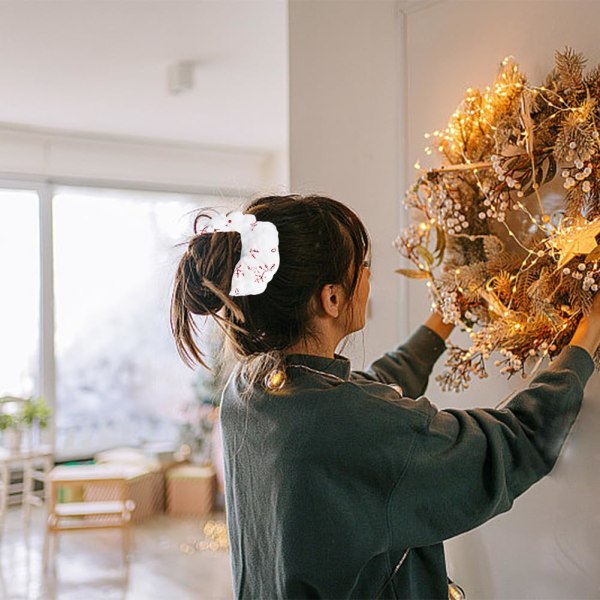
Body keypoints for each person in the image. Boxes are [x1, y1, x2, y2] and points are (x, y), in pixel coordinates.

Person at [170, 193, 600, 600]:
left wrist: (442, 322)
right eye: (364, 264)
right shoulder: (345, 422)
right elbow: (511, 442)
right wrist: (588, 334)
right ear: (333, 298)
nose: (369, 275)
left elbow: (369, 394)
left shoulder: (251, 392)